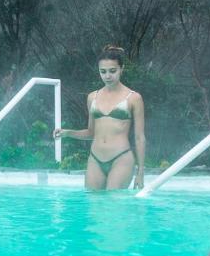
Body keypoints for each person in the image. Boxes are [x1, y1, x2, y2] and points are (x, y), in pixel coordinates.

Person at [54, 45, 146, 190]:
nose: (107, 76)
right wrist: (67, 133)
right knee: (93, 207)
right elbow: (91, 133)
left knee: (111, 207)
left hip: (121, 158)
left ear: (122, 69)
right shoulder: (92, 97)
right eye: (103, 72)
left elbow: (139, 137)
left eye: (112, 71)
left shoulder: (134, 98)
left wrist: (140, 172)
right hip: (95, 159)